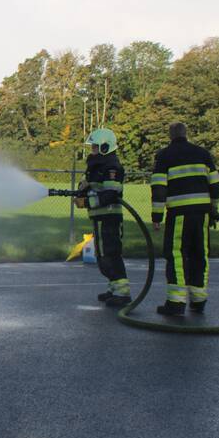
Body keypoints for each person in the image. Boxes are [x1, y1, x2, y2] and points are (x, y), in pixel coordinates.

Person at [150, 122, 219, 316]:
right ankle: (199, 301)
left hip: (179, 214)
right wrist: (214, 208)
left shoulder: (164, 156)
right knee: (200, 253)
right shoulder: (203, 153)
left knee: (176, 254)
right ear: (186, 133)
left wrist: (157, 216)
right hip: (202, 214)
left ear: (170, 135)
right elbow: (215, 183)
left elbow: (159, 187)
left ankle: (176, 302)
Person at [79, 128, 130, 308]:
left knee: (111, 254)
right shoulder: (97, 167)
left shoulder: (112, 167)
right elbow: (93, 187)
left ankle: (122, 293)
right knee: (102, 255)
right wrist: (82, 189)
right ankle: (114, 288)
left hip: (109, 218)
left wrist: (88, 202)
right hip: (100, 218)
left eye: (94, 147)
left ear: (105, 147)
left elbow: (110, 194)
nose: (91, 150)